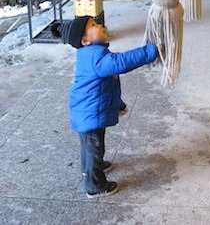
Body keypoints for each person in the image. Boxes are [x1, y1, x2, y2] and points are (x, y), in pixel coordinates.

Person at [51, 16, 158, 199]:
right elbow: (122, 62)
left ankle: (88, 168)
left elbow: (107, 88)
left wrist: (118, 105)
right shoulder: (96, 56)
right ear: (85, 41)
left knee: (88, 143)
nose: (100, 25)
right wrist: (148, 52)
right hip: (90, 112)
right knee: (95, 146)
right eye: (93, 25)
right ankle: (95, 185)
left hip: (85, 109)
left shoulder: (88, 53)